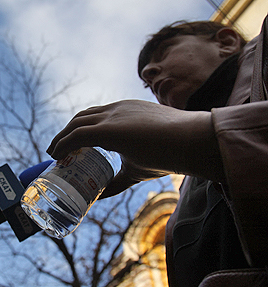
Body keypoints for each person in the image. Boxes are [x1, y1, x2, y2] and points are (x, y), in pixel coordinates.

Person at [47, 15, 268, 287]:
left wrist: (196, 141)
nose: (149, 73)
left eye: (164, 52)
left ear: (225, 42)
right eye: (145, 83)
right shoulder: (188, 185)